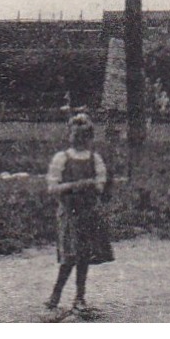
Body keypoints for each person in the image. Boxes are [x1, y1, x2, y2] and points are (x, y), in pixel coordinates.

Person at [44, 112, 113, 314]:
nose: (79, 139)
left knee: (83, 256)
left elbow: (100, 185)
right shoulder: (62, 158)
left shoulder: (95, 159)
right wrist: (75, 185)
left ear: (90, 138)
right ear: (69, 135)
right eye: (75, 134)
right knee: (68, 256)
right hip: (69, 213)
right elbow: (52, 187)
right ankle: (55, 296)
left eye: (84, 135)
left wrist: (93, 186)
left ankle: (79, 297)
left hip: (88, 213)